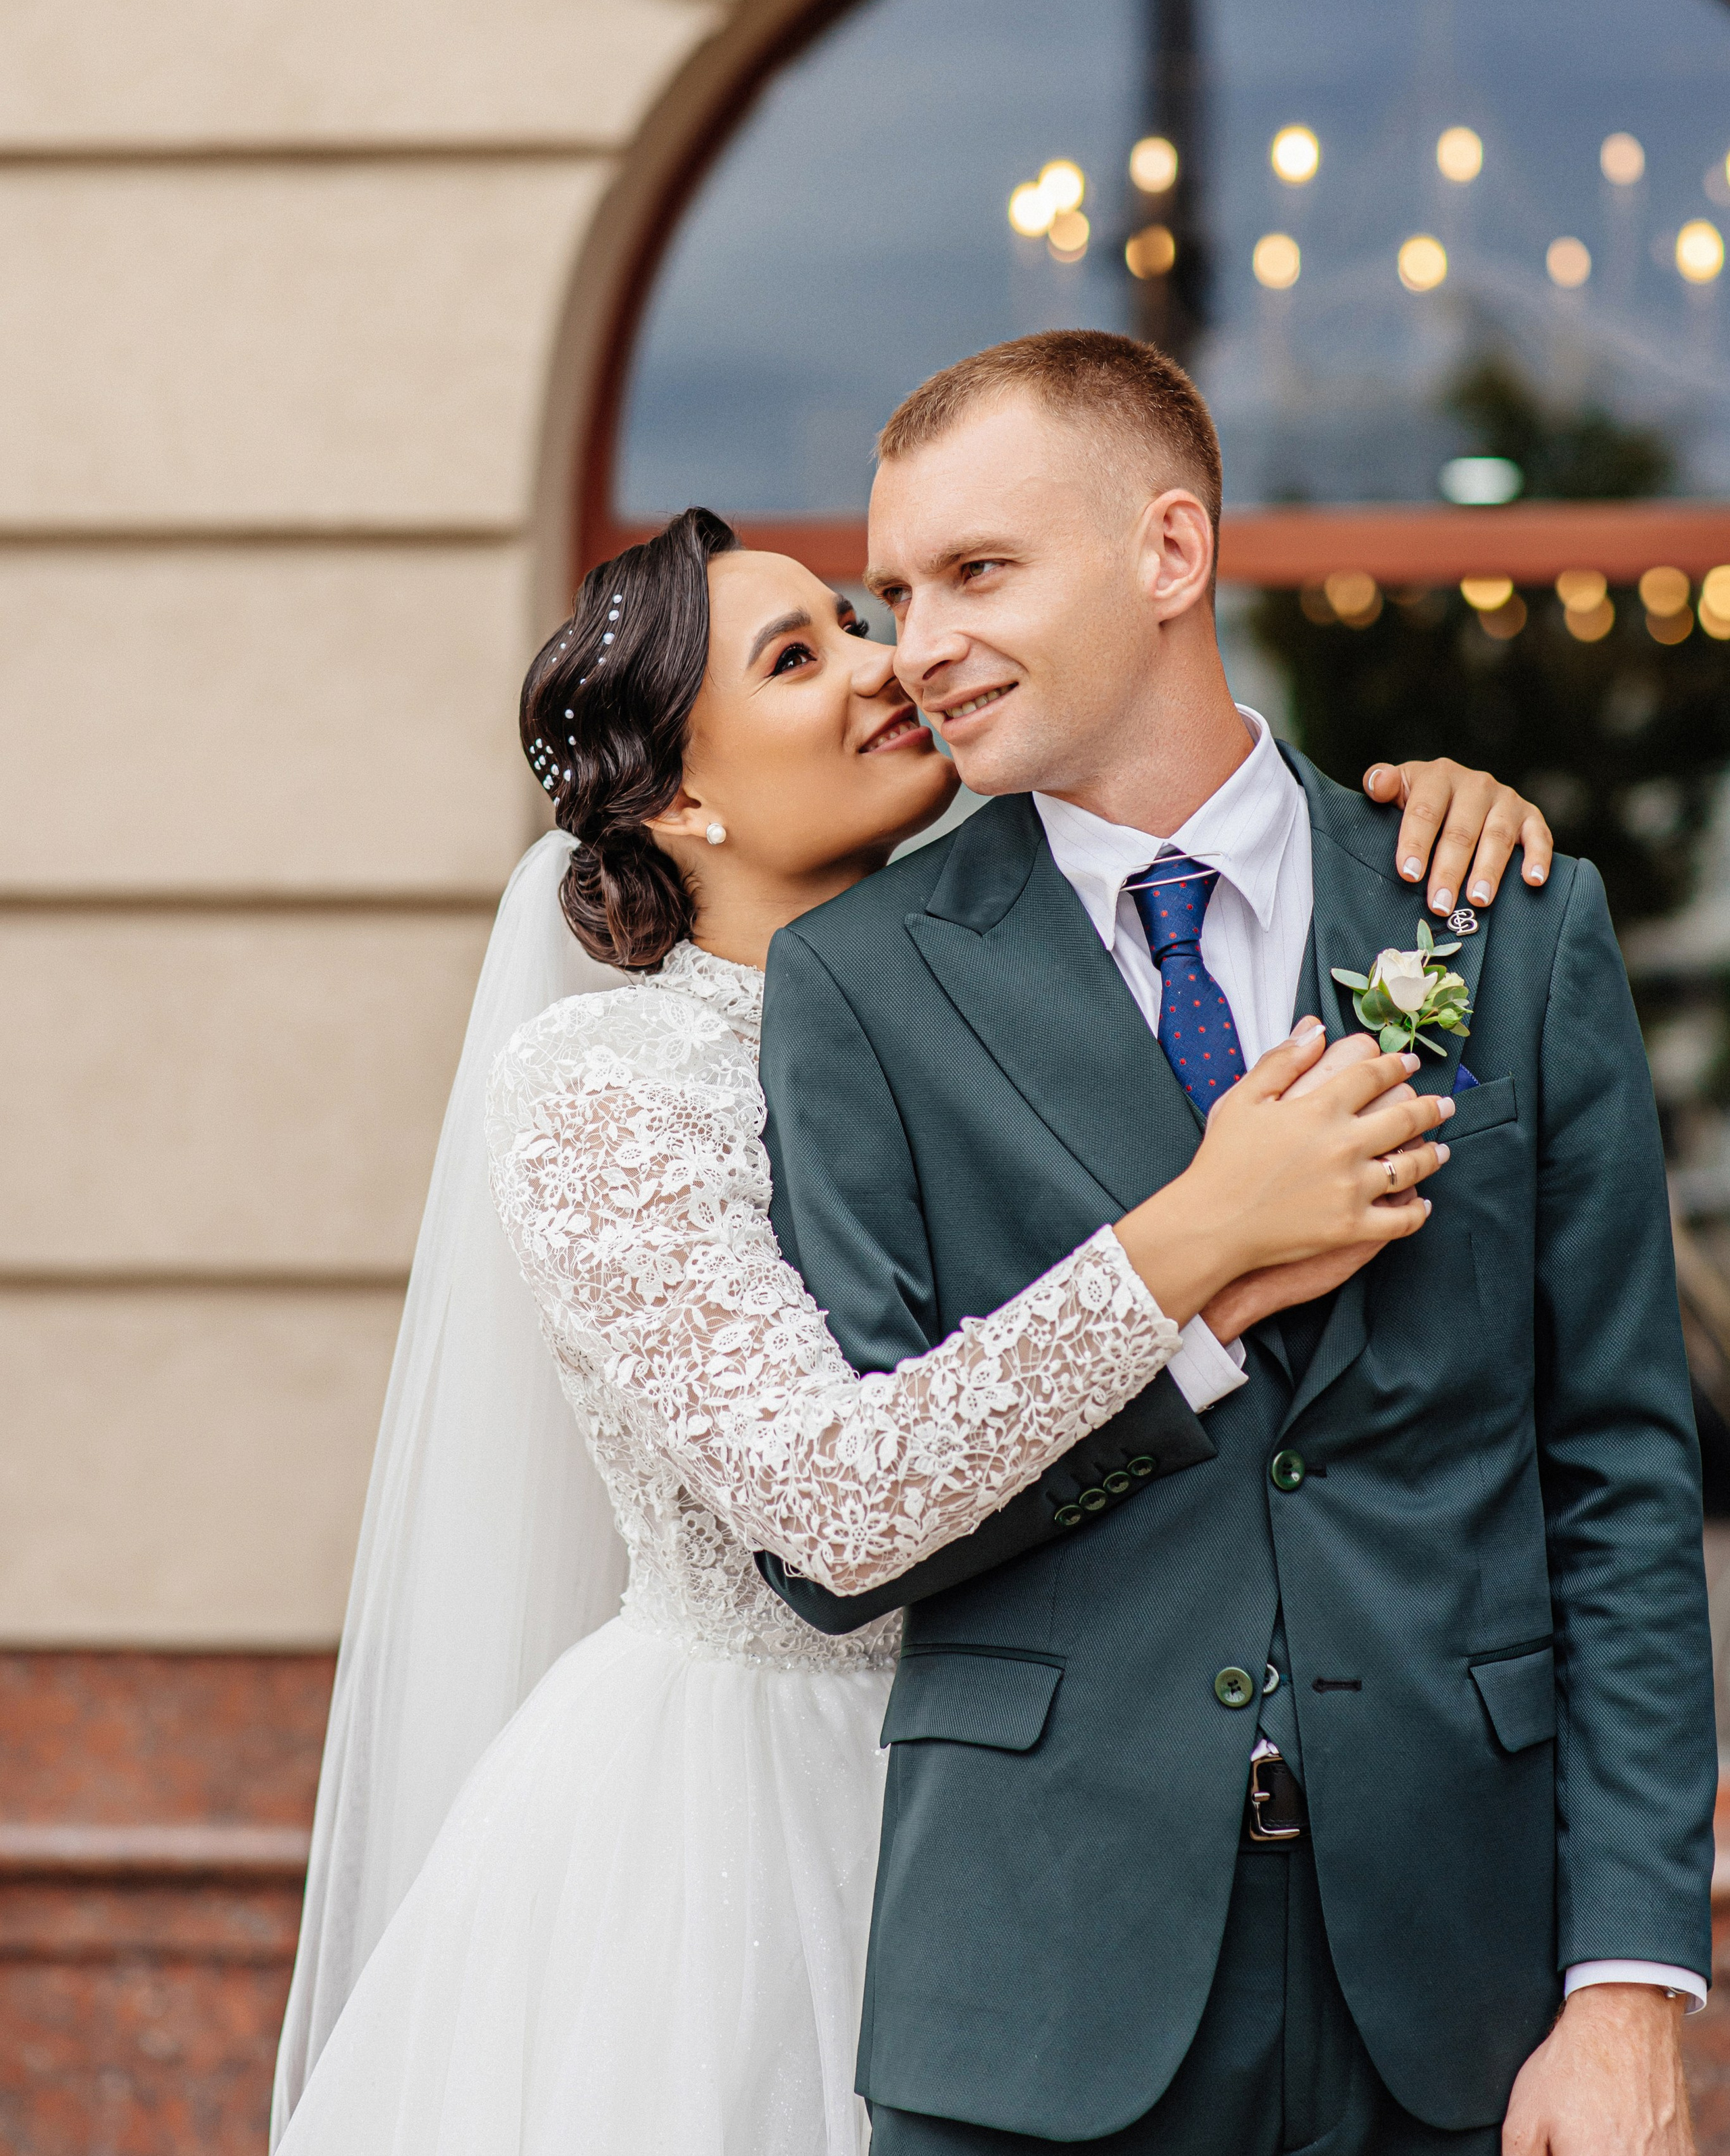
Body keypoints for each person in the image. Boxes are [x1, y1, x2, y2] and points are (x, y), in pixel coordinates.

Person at [272, 501, 1552, 2156]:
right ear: (680, 795)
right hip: (735, 1832)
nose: (890, 665)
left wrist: (1427, 829)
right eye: (799, 656)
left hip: (1081, 1813)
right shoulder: (601, 1092)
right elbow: (826, 1491)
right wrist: (1189, 1247)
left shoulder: (1002, 979)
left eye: (857, 621)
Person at [756, 330, 1718, 2156]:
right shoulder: (858, 985)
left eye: (978, 570)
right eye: (894, 588)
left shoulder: (1500, 914)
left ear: (1171, 552)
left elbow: (1618, 1477)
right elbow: (843, 1538)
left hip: (1468, 2002)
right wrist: (1184, 1305)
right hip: (1033, 1998)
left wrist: (1630, 1986)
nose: (918, 640)